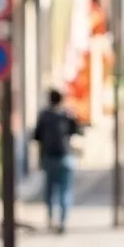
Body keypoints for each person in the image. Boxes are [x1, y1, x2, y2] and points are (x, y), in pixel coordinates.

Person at [30, 87, 81, 231]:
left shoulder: (44, 116)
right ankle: (63, 221)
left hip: (49, 157)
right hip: (65, 156)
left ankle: (51, 218)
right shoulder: (67, 114)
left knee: (50, 190)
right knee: (65, 190)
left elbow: (36, 136)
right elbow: (77, 131)